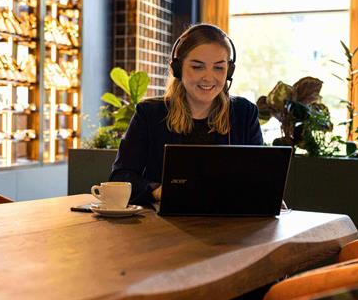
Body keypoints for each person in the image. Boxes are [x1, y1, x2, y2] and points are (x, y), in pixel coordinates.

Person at [109, 23, 263, 206]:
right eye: (197, 67)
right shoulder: (150, 114)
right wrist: (157, 191)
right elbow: (121, 177)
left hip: (231, 224)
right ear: (178, 68)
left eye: (219, 68)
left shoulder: (244, 113)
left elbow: (261, 176)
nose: (208, 77)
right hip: (164, 226)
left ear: (229, 71)